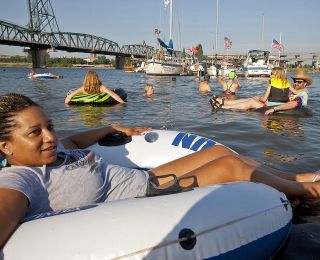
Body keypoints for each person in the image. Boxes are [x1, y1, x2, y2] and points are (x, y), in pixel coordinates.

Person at [1, 93, 320, 248]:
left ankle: (298, 178)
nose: (50, 137)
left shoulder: (57, 151)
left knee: (220, 151)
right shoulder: (20, 178)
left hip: (147, 179)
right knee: (230, 165)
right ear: (5, 147)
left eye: (49, 126)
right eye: (35, 133)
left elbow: (74, 137)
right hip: (149, 196)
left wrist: (114, 127)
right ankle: (309, 192)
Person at [211, 67, 291, 111]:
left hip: (270, 107)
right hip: (277, 105)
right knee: (250, 99)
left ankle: (222, 106)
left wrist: (259, 98)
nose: (270, 75)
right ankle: (222, 102)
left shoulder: (272, 84)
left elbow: (263, 100)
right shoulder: (286, 83)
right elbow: (287, 97)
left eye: (272, 74)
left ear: (276, 75)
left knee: (251, 101)